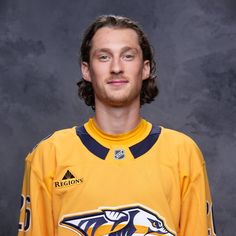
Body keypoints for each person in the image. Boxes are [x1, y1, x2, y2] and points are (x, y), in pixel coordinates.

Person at [18, 15, 216, 236]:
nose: (116, 67)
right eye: (103, 57)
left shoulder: (183, 153)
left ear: (145, 68)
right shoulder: (49, 155)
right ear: (86, 70)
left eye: (128, 56)